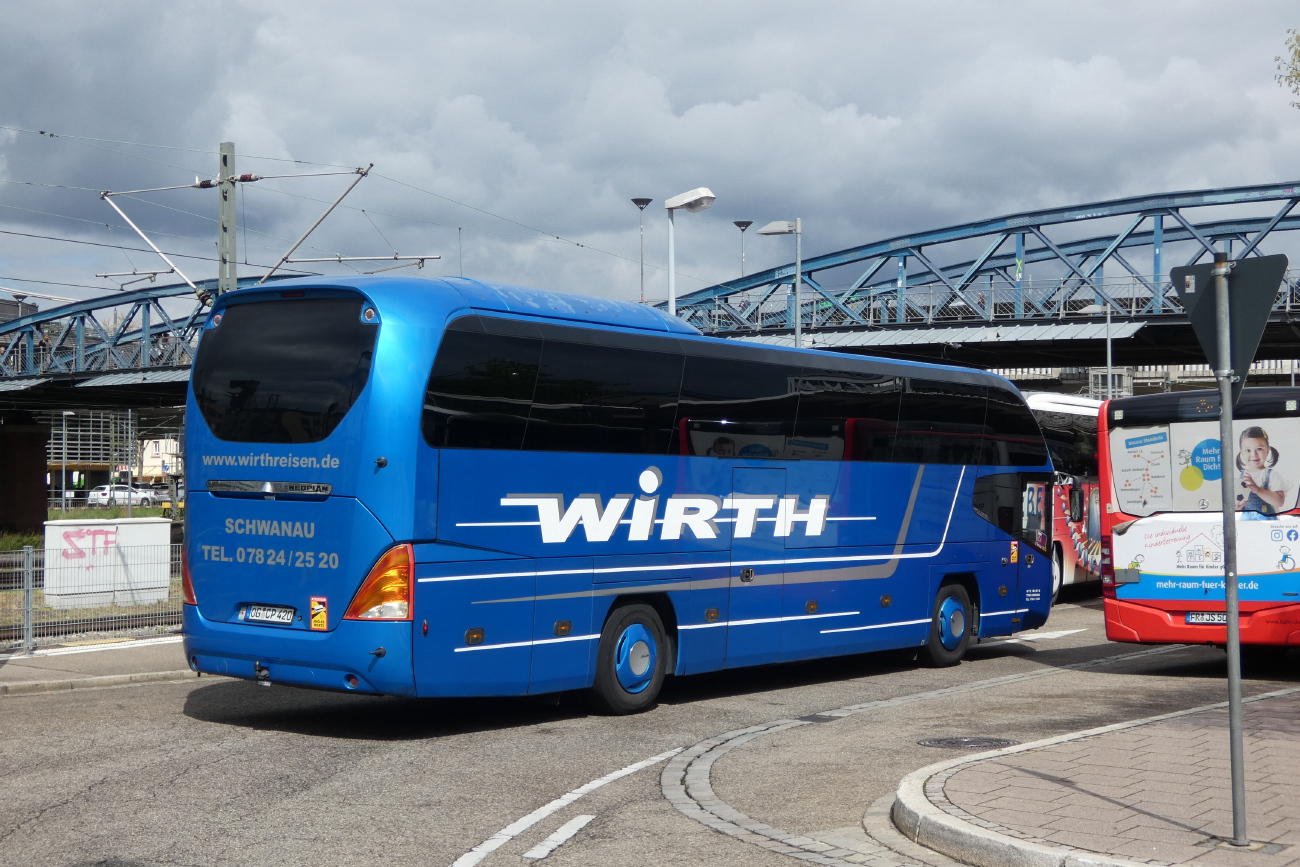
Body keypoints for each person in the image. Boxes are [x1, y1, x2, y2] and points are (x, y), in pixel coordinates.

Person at [1235, 426, 1288, 520]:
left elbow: (1279, 502)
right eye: (1248, 450)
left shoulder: (1271, 475)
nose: (1253, 454)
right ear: (1241, 453)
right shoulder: (1241, 476)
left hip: (1267, 521)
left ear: (1267, 451)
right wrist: (1237, 508)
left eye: (1259, 449)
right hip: (1246, 521)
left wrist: (1257, 489)